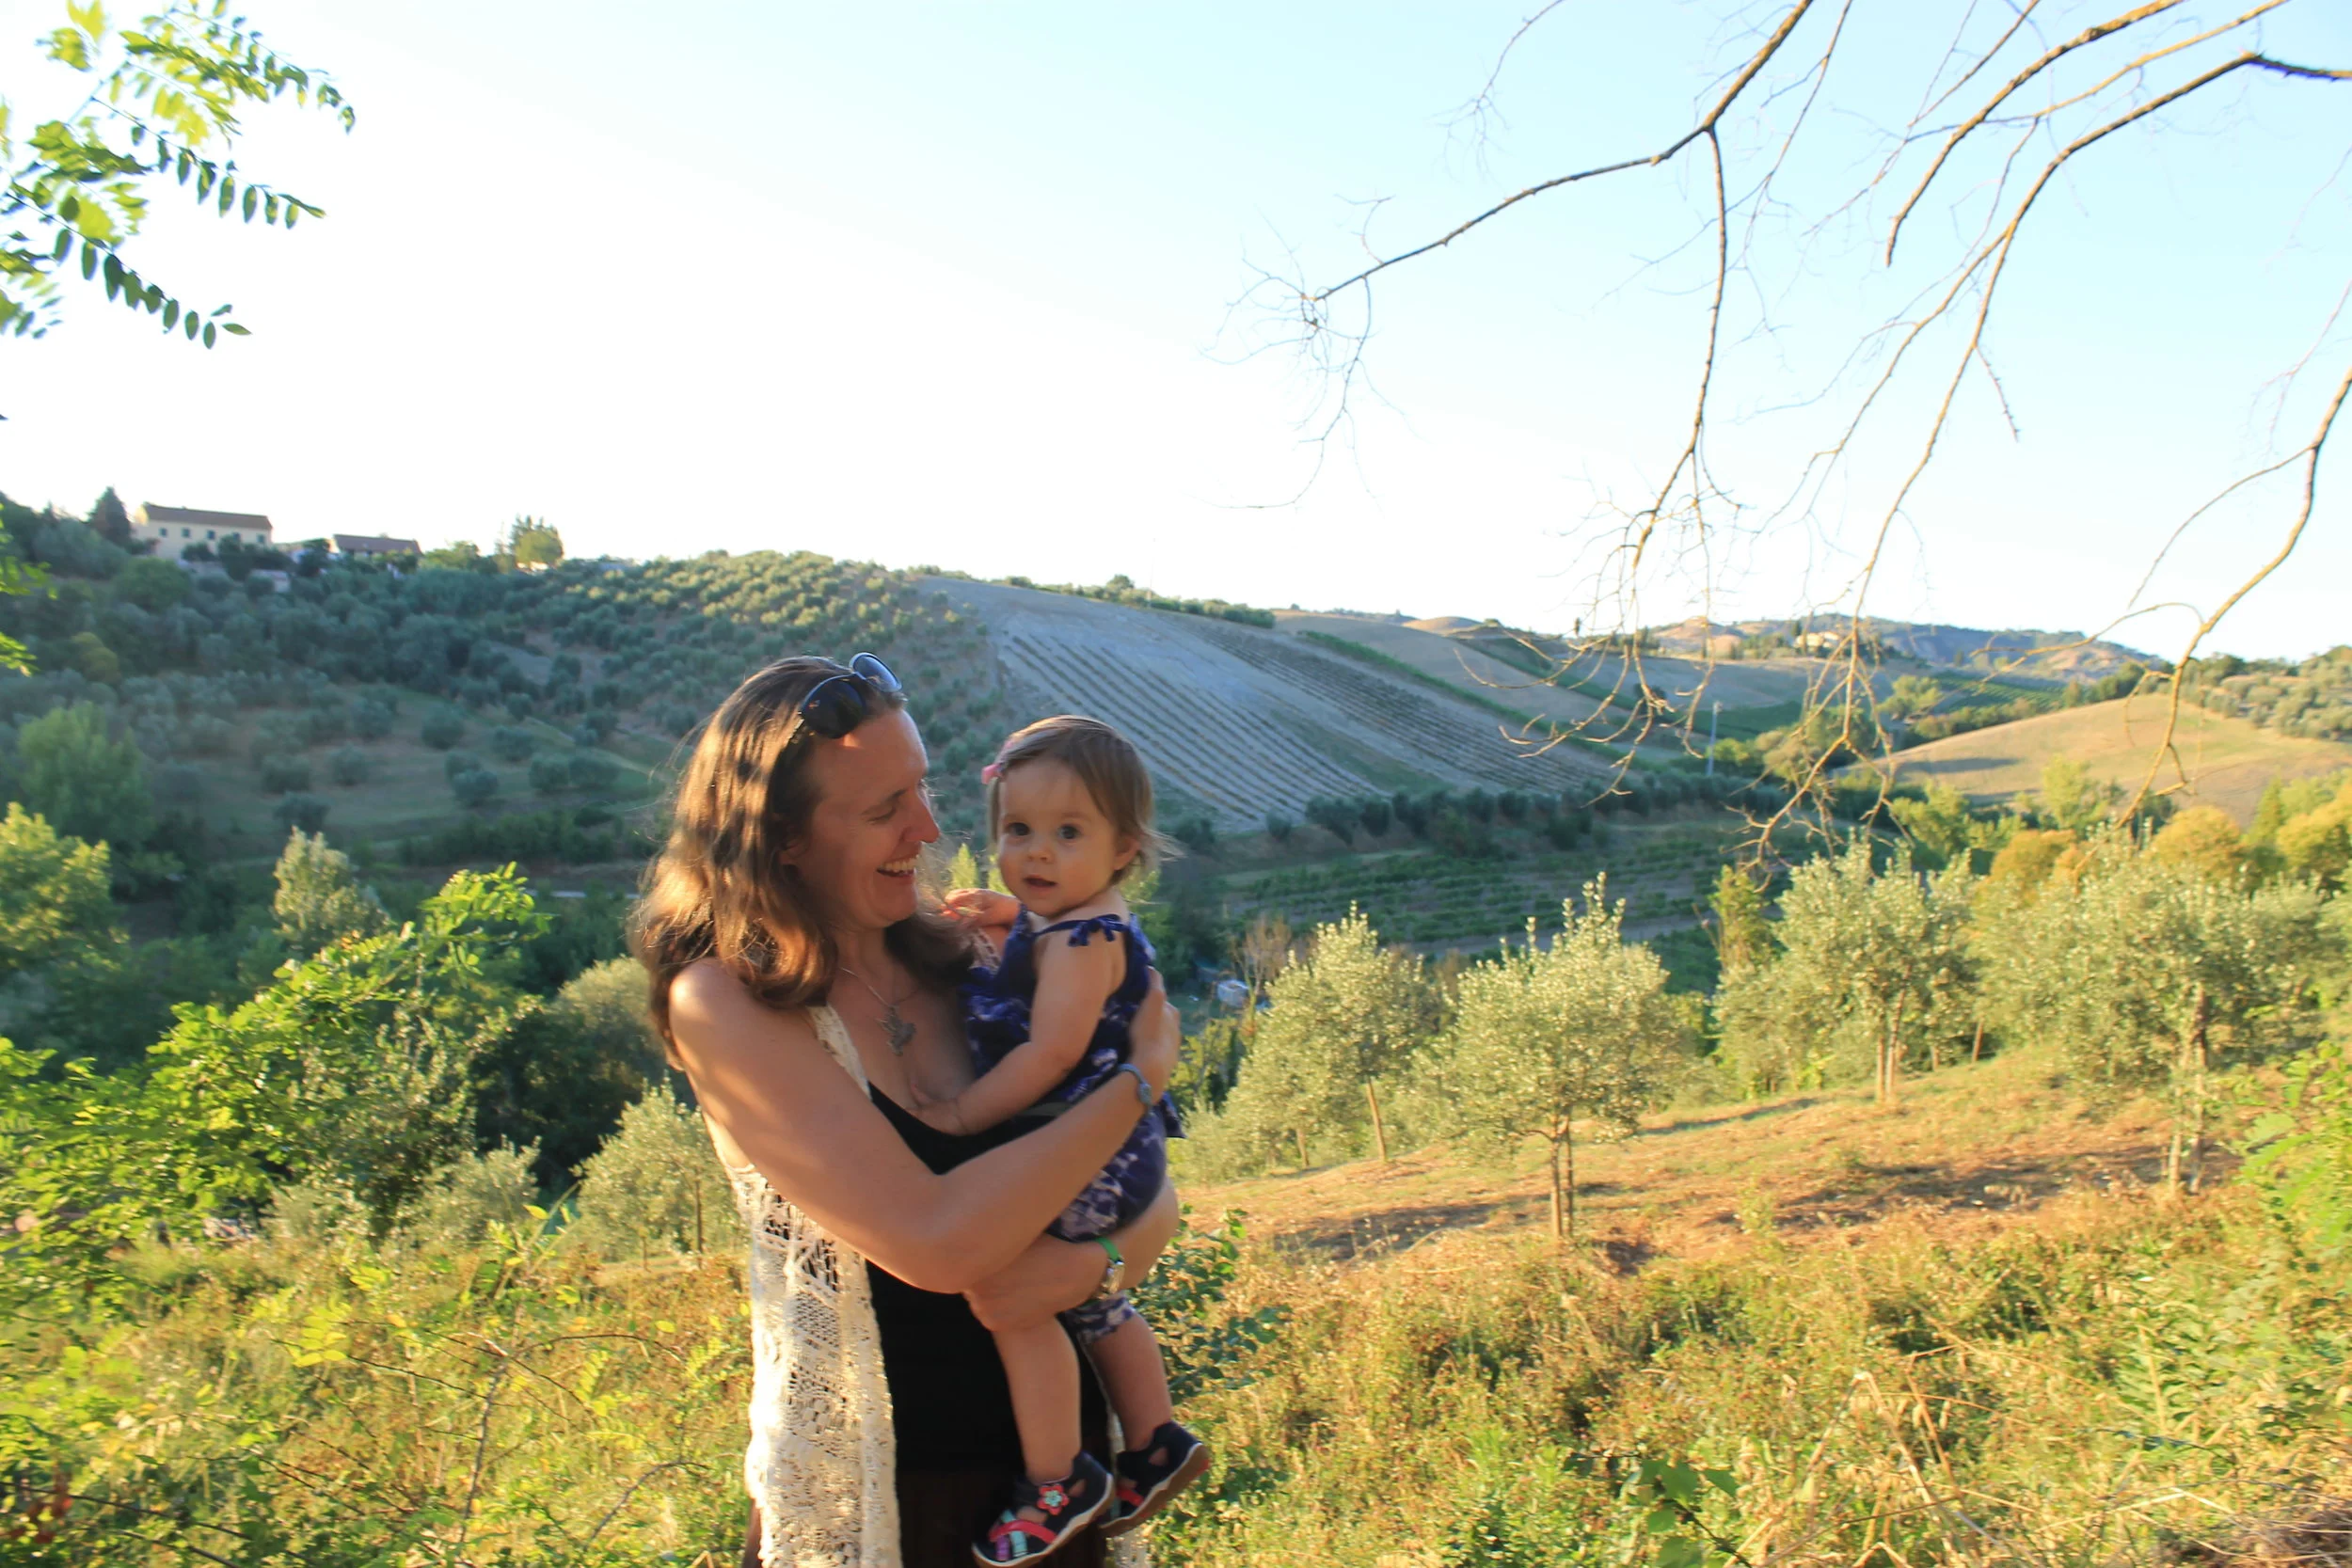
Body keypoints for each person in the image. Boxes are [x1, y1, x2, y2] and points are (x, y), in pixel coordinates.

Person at [633, 655, 1185, 1568]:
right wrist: (1139, 1079)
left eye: (922, 789)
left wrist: (1097, 1264)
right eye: (884, 807)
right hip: (886, 1505)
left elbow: (1146, 1195)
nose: (926, 829)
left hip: (1052, 1501)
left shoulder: (971, 961)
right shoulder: (725, 1003)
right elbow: (937, 1239)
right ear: (782, 838)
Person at [918, 717, 1208, 1562]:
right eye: (1017, 831)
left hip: (1091, 1148)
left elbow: (1051, 1050)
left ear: (1125, 848)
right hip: (1123, 1151)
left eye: (1067, 833)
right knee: (1098, 1299)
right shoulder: (1077, 920)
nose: (1036, 853)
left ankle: (1060, 1480)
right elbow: (1050, 946)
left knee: (1019, 1303)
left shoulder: (1086, 941)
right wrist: (1017, 915)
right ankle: (1153, 1437)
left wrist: (965, 1114)